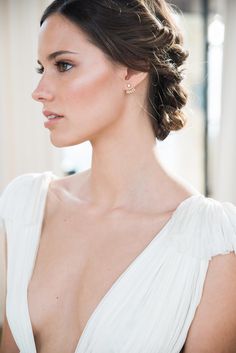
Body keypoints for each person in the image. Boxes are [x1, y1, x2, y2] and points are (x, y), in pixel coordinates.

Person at [0, 0, 236, 352]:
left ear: (132, 68)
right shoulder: (24, 206)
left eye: (64, 65)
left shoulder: (212, 246)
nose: (40, 91)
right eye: (41, 69)